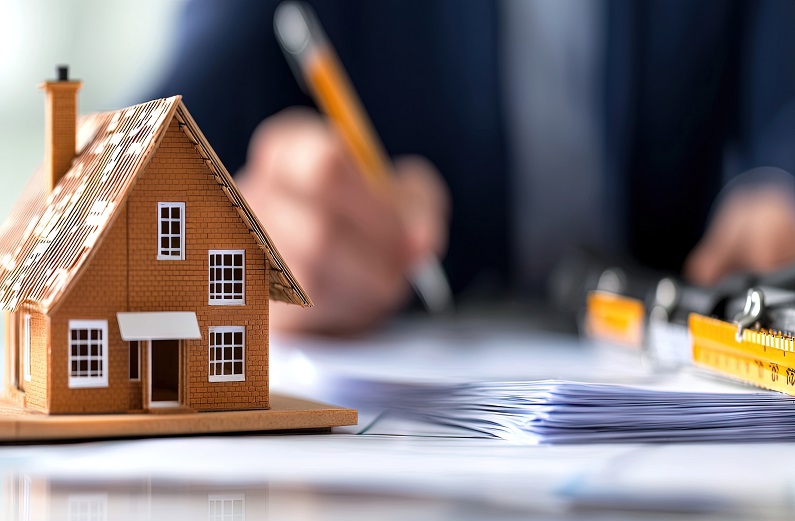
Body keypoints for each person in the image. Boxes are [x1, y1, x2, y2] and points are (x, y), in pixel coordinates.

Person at [149, 0, 795, 334]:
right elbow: (171, 135)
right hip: (397, 363)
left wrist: (780, 183)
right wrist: (245, 240)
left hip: (679, 326)